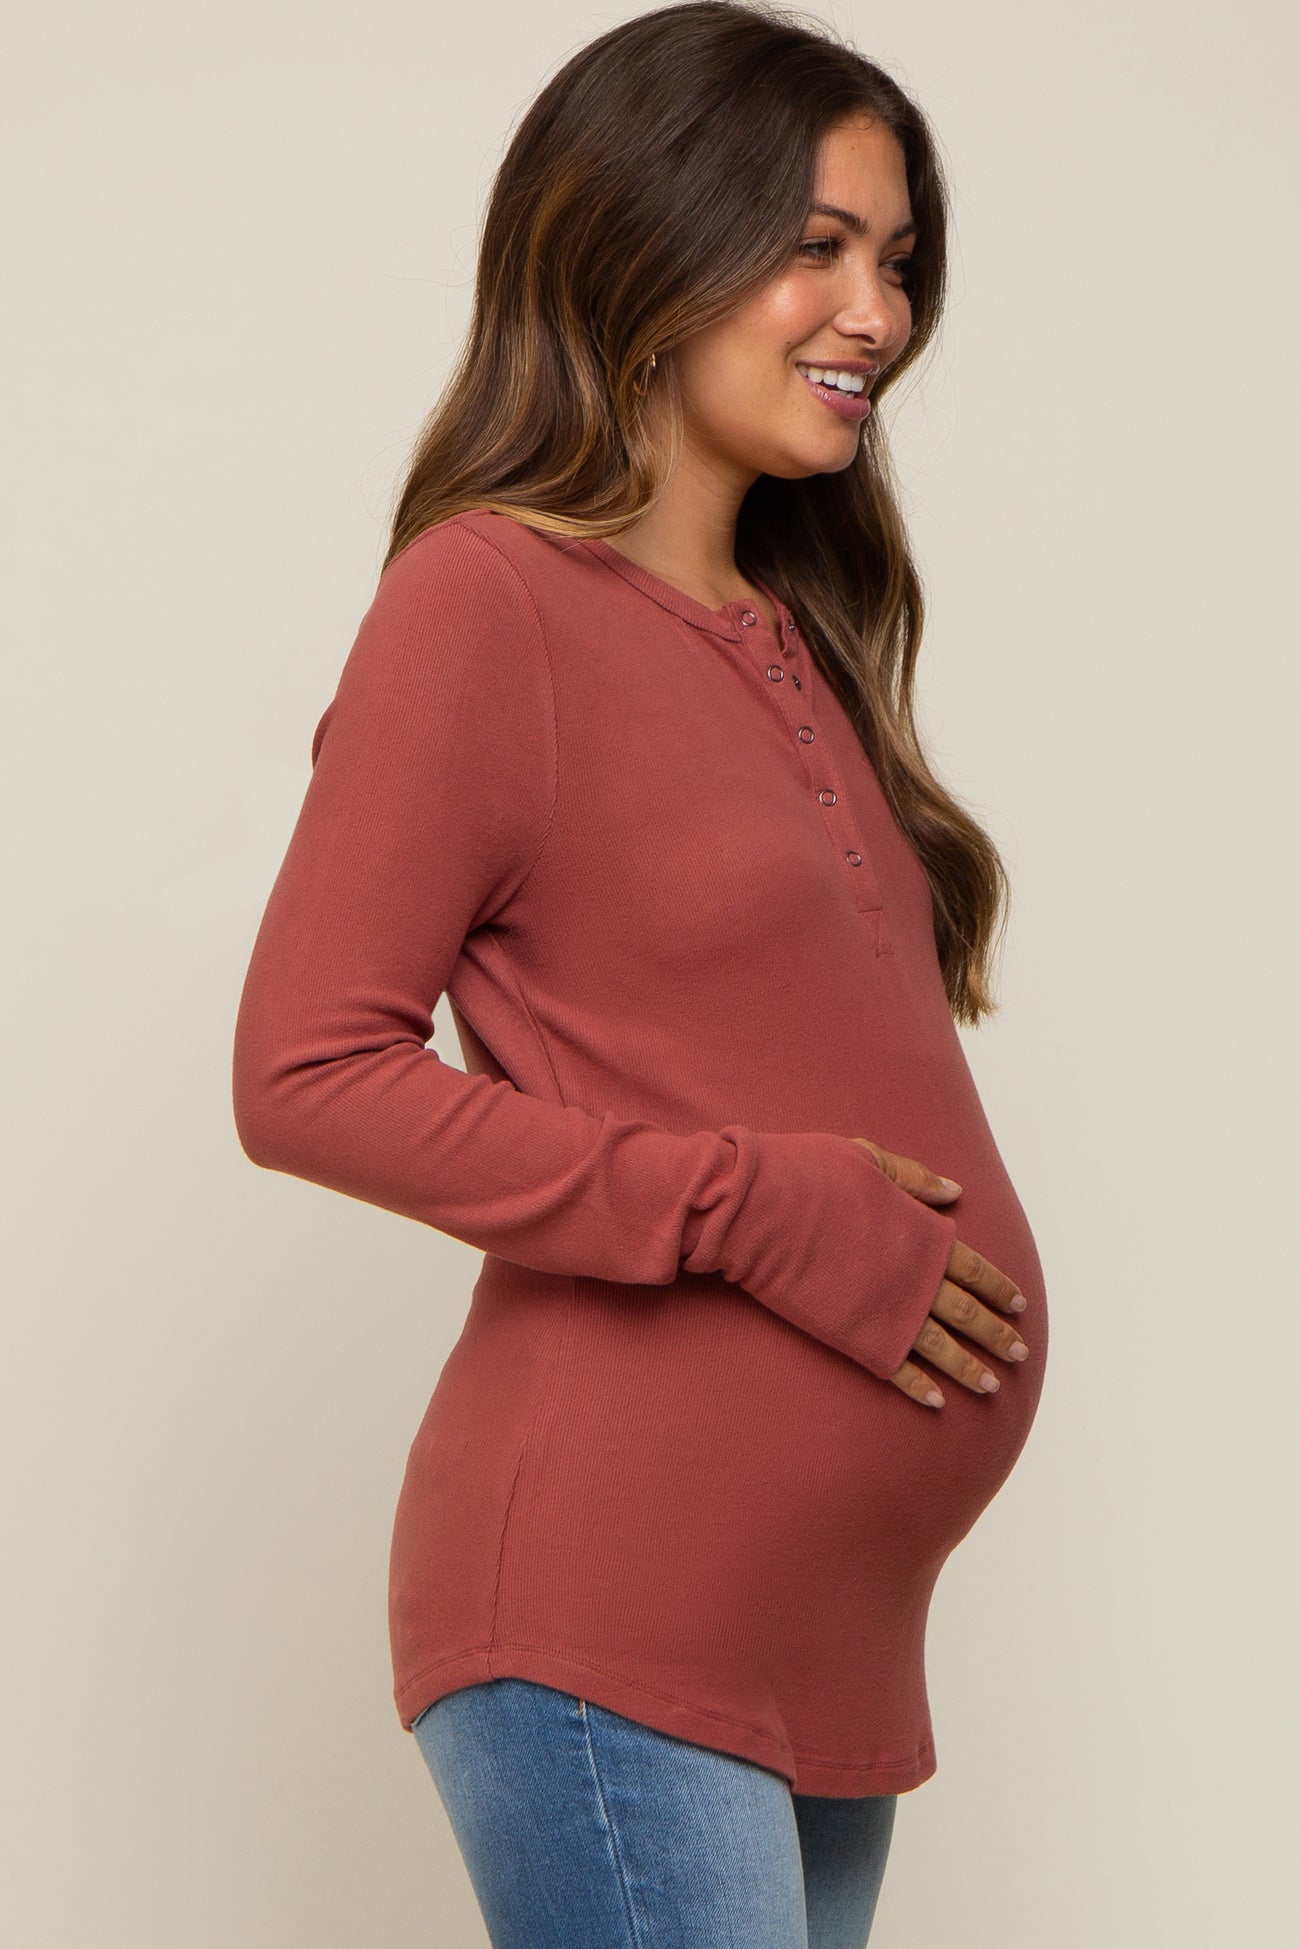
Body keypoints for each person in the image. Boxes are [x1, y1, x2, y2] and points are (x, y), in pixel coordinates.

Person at [231, 3, 1049, 1942]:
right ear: (643, 240)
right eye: (814, 247)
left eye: (898, 259)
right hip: (614, 1606)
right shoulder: (489, 600)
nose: (876, 313)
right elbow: (302, 1072)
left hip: (821, 1632)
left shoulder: (796, 630)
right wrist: (748, 1204)